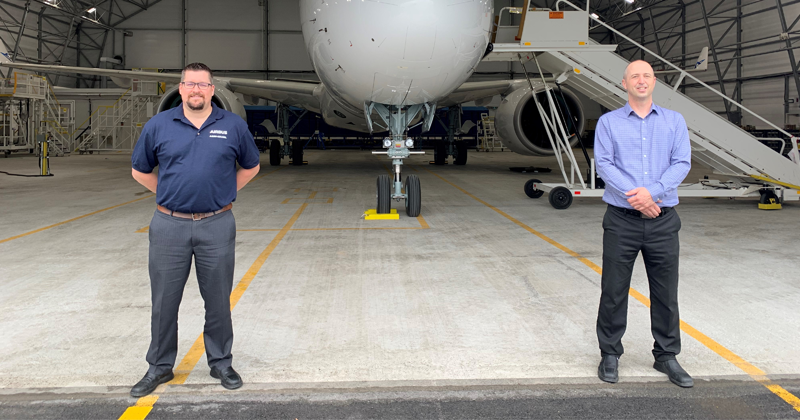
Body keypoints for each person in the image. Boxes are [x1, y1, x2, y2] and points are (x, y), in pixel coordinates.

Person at [129, 62, 261, 397]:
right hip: (168, 225)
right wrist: (167, 195)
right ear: (181, 87)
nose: (196, 90)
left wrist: (225, 193)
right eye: (190, 84)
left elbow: (252, 165)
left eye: (203, 85)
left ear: (212, 90)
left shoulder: (231, 125)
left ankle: (221, 363)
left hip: (216, 224)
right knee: (164, 302)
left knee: (217, 300)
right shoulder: (159, 125)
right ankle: (159, 368)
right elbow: (139, 170)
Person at [593, 60, 693, 388]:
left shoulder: (674, 121)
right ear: (624, 83)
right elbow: (604, 164)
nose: (641, 80)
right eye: (634, 75)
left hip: (664, 221)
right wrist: (637, 197)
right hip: (622, 220)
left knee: (666, 292)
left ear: (654, 82)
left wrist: (652, 193)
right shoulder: (608, 123)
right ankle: (610, 353)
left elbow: (682, 162)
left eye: (647, 75)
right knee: (614, 290)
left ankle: (666, 356)